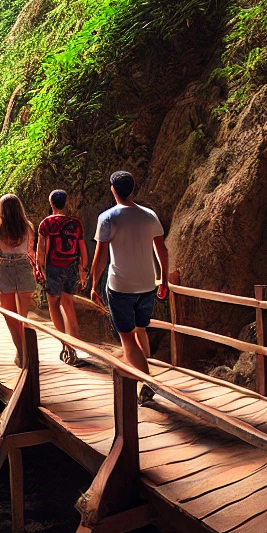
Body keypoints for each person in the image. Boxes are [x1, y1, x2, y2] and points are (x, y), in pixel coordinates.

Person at [91, 171, 169, 404]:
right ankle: (140, 370)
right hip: (147, 284)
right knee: (140, 330)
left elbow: (100, 257)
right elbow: (161, 250)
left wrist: (93, 284)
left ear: (113, 190)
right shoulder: (149, 216)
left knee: (126, 337)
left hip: (120, 287)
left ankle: (147, 381)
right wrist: (163, 280)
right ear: (133, 190)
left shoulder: (108, 218)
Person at [34, 189, 88, 366]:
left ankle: (66, 344)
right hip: (71, 267)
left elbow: (40, 249)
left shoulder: (46, 223)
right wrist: (83, 270)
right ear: (67, 202)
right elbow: (83, 249)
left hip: (54, 267)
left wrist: (39, 268)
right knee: (68, 302)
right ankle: (74, 342)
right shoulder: (76, 223)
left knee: (54, 306)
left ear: (51, 204)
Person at [0, 193, 37, 361]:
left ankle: (21, 351)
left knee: (9, 315)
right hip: (23, 266)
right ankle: (24, 351)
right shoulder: (27, 227)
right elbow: (30, 250)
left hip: (5, 268)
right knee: (23, 316)